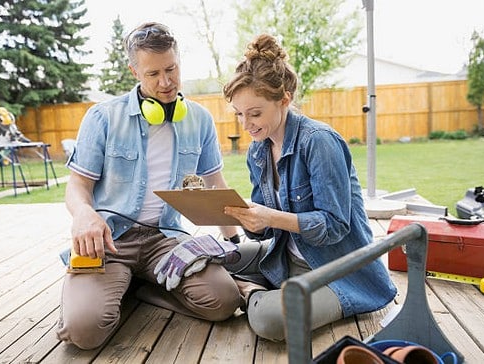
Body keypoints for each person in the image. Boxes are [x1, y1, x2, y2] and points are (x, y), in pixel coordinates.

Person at [56, 22, 241, 350]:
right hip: (111, 242)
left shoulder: (199, 119)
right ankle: (114, 283)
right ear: (134, 71)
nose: (166, 82)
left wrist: (235, 242)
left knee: (224, 301)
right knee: (83, 332)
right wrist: (84, 214)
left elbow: (215, 185)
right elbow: (77, 186)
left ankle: (143, 288)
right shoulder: (102, 117)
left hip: (165, 240)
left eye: (171, 69)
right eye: (153, 74)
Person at [222, 34, 397, 342]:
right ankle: (256, 287)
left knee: (269, 320)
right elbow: (263, 232)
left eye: (255, 113)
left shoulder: (318, 141)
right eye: (239, 114)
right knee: (213, 258)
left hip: (338, 271)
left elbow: (335, 226)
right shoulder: (258, 150)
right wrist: (246, 217)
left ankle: (249, 292)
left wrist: (270, 218)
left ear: (284, 99)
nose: (245, 124)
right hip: (286, 257)